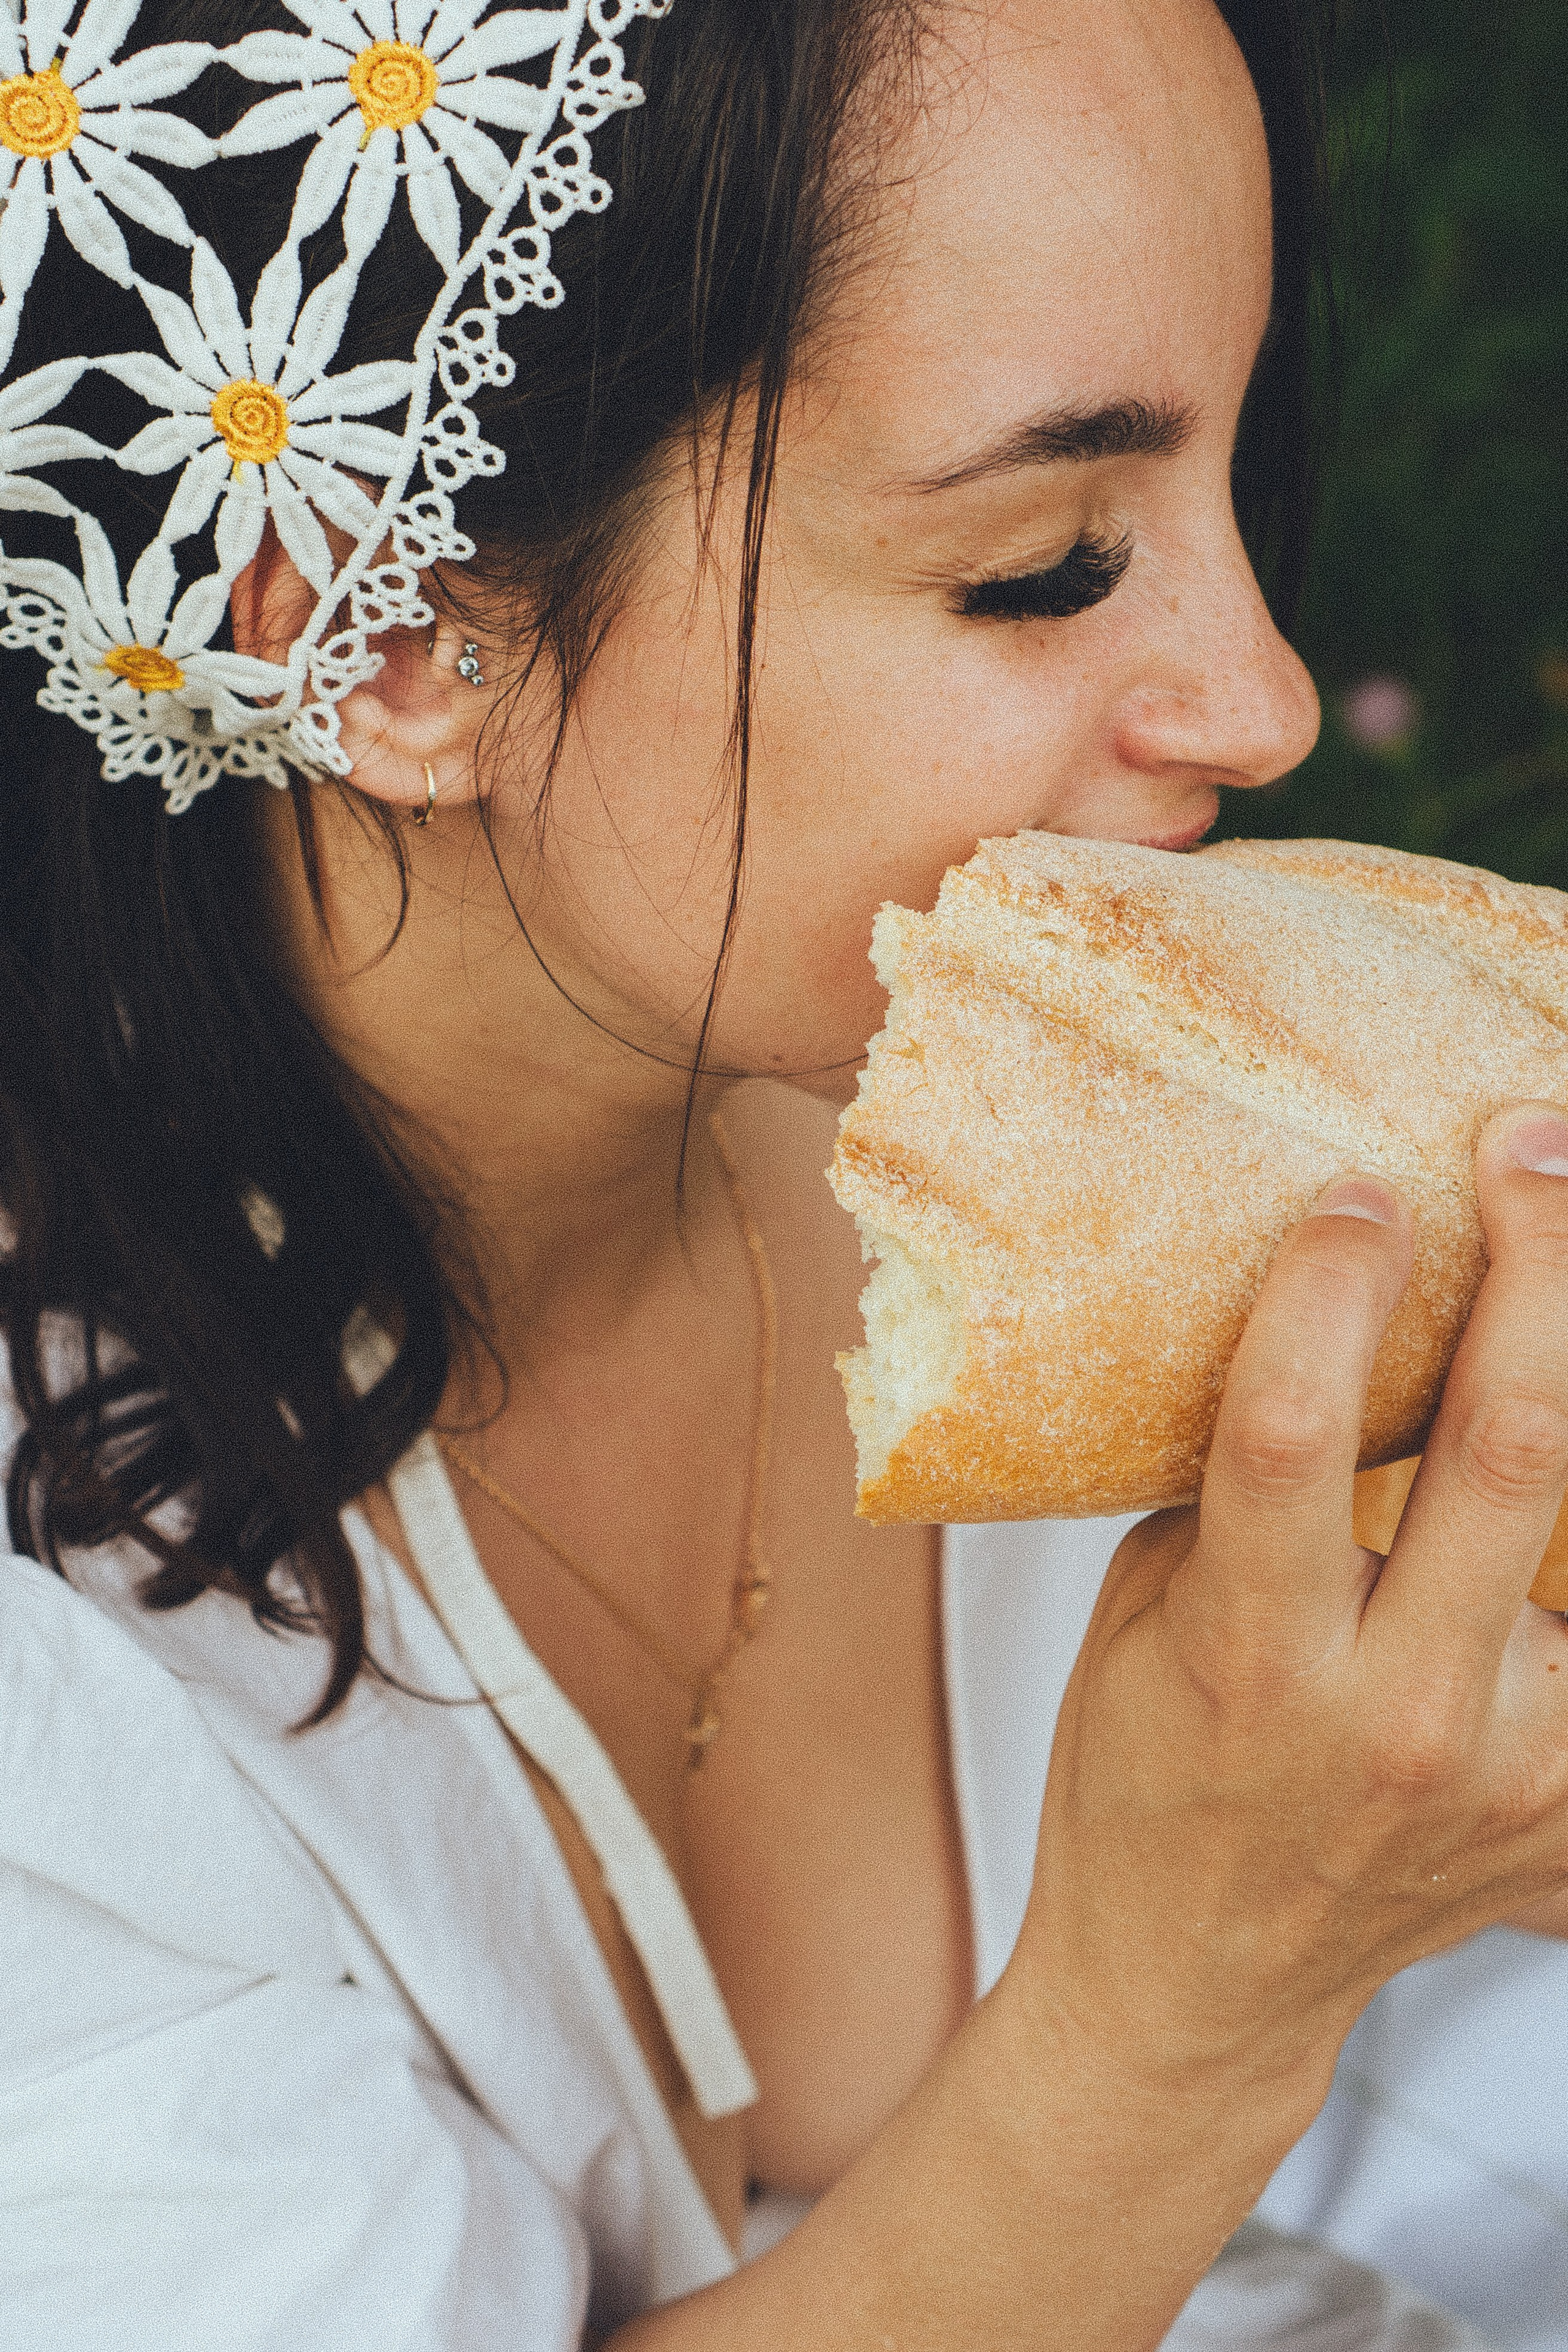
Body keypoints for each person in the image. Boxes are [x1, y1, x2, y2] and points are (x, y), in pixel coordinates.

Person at [2, 0, 1567, 2345]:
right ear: (392, 640)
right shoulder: (56, 1682)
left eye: (1241, 476)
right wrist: (1189, 2003)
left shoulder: (1148, 1152)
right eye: (1046, 560)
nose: (1259, 701)